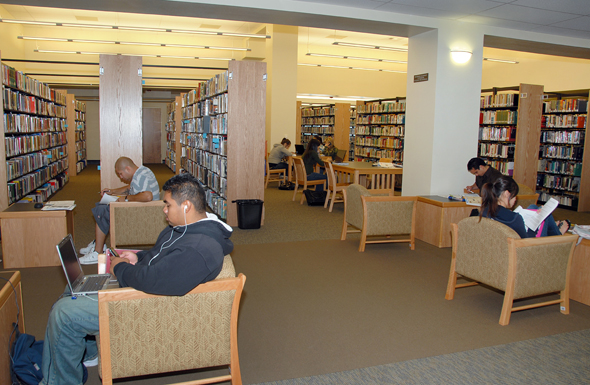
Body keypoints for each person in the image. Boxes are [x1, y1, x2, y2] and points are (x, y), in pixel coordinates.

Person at [40, 173, 234, 385]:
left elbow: (156, 281)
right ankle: (87, 353)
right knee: (74, 290)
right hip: (143, 287)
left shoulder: (199, 249)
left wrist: (121, 269)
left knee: (64, 313)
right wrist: (138, 256)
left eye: (168, 205)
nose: (164, 210)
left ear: (186, 206)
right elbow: (160, 255)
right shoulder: (184, 229)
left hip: (142, 304)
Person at [79, 157, 161, 264]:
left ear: (128, 169)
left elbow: (147, 196)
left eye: (121, 174)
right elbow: (130, 188)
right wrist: (112, 192)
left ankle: (98, 252)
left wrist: (126, 199)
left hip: (144, 215)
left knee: (102, 210)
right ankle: (99, 243)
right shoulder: (141, 172)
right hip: (143, 210)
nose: (121, 177)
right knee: (101, 206)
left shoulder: (141, 176)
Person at [479, 175, 570, 238]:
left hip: (502, 247)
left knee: (533, 207)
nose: (515, 199)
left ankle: (555, 230)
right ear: (507, 194)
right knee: (545, 213)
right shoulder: (515, 218)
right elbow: (527, 241)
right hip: (526, 252)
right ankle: (558, 236)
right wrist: (534, 224)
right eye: (514, 196)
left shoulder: (485, 211)